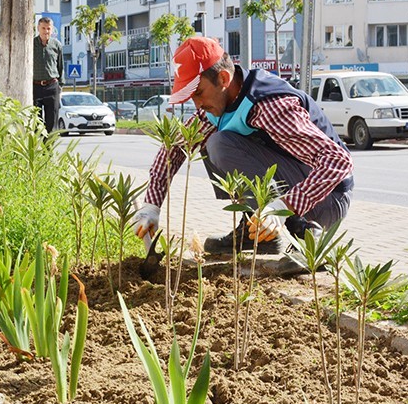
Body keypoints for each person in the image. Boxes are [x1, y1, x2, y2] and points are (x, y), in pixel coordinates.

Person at [132, 37, 354, 255]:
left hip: (328, 198)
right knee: (218, 143)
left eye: (198, 93)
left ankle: (302, 229)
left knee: (219, 143)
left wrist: (282, 207)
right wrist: (151, 206)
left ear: (223, 78)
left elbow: (338, 160)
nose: (197, 105)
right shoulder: (215, 108)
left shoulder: (270, 106)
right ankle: (257, 232)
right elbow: (174, 148)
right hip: (291, 187)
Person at [33, 17, 64, 133]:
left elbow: (61, 67)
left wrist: (60, 87)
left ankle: (48, 150)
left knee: (52, 121)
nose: (46, 31)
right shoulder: (31, 44)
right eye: (43, 28)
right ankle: (37, 148)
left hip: (52, 86)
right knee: (36, 120)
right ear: (38, 28)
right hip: (35, 86)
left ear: (52, 30)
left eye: (48, 28)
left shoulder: (57, 45)